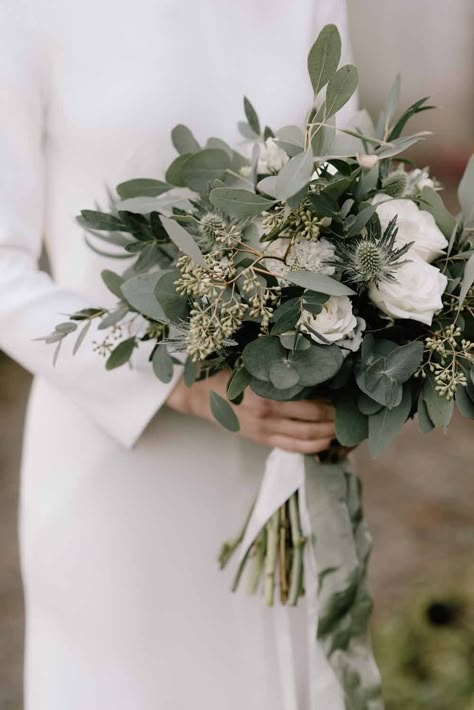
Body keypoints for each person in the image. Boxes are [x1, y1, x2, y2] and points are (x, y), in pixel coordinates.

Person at [0, 1, 356, 707]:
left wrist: (351, 351)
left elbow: (343, 198)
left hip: (285, 459)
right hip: (117, 469)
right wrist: (195, 388)